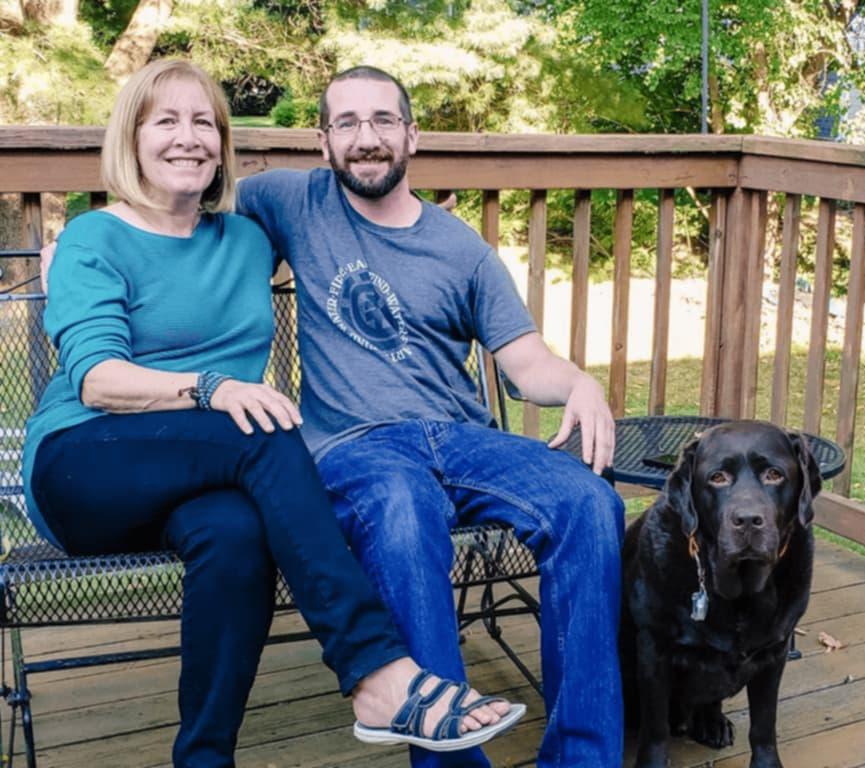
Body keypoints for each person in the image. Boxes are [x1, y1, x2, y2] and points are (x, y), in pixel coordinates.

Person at [25, 59, 524, 768]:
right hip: (84, 465)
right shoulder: (94, 238)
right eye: (165, 120)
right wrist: (212, 388)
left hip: (199, 474)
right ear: (130, 138)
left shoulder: (248, 239)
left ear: (223, 145)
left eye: (204, 123)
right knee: (264, 429)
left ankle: (203, 758)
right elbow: (100, 380)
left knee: (234, 533)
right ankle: (375, 669)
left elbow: (349, 235)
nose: (188, 138)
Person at [235, 66, 626, 768]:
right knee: (401, 508)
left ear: (411, 136)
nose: (366, 138)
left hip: (464, 437)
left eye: (383, 120)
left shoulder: (461, 248)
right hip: (357, 445)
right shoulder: (291, 200)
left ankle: (581, 757)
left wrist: (581, 384)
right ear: (322, 142)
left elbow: (526, 361)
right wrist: (98, 240)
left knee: (589, 502)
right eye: (347, 123)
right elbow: (173, 200)